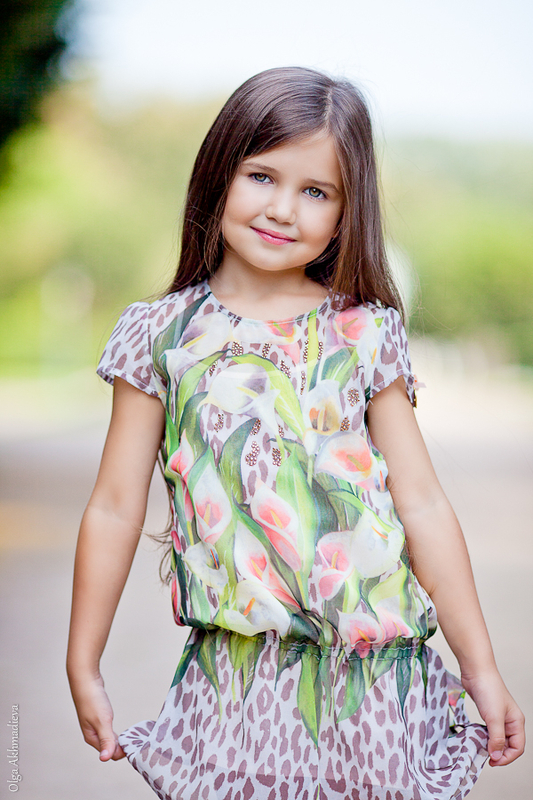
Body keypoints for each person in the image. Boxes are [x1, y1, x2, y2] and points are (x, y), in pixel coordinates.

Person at [66, 67, 525, 800]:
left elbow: (422, 504)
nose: (282, 208)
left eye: (316, 191)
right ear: (218, 175)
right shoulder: (161, 334)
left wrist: (482, 670)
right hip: (233, 686)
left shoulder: (364, 332)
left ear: (345, 214)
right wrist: (83, 661)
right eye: (261, 176)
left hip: (375, 688)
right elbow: (115, 507)